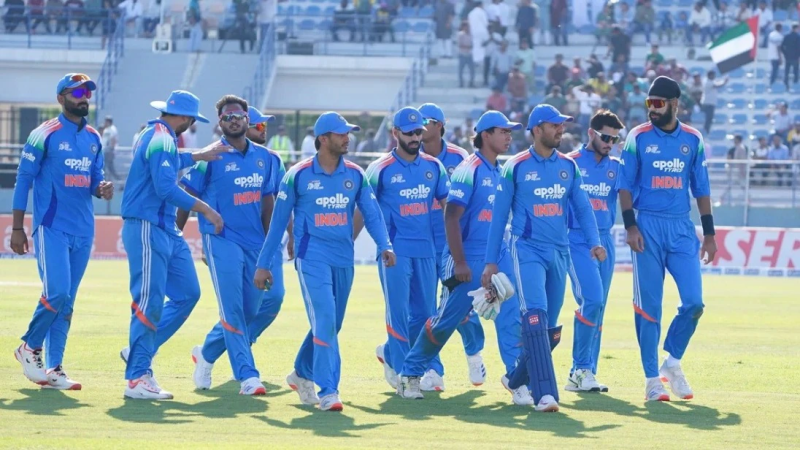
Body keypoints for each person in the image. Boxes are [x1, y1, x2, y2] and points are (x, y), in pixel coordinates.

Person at [253, 112, 396, 411]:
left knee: (332, 323)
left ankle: (301, 373)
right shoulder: (298, 175)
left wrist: (384, 244)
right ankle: (329, 390)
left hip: (343, 258)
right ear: (323, 139)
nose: (348, 138)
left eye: (348, 133)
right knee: (326, 319)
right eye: (341, 134)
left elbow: (371, 213)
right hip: (311, 258)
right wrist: (263, 264)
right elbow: (278, 224)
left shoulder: (355, 174)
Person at [483, 104, 605, 412]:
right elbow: (499, 217)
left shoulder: (568, 166)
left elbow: (583, 208)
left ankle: (515, 379)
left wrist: (594, 242)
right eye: (554, 125)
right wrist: (490, 262)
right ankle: (545, 394)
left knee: (548, 331)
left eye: (562, 125)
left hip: (560, 252)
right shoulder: (516, 167)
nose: (561, 129)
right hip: (527, 250)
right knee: (534, 316)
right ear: (537, 130)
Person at [396, 111, 524, 401]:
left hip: (497, 254)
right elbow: (451, 216)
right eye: (503, 131)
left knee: (511, 314)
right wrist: (461, 262)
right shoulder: (469, 168)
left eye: (510, 132)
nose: (509, 137)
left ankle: (517, 379)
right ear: (486, 135)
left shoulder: (501, 170)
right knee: (445, 322)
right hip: (466, 257)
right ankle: (410, 373)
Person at [119, 90, 228, 400]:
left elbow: (170, 161)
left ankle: (139, 352)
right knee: (149, 301)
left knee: (188, 294)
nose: (191, 126)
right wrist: (206, 209)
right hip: (147, 225)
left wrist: (198, 155)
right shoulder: (161, 138)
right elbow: (166, 188)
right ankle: (137, 378)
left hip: (165, 227)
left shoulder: (159, 136)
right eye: (192, 120)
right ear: (185, 118)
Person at [617, 76, 717, 402]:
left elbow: (701, 189)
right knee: (649, 308)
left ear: (675, 104)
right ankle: (651, 380)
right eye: (649, 103)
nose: (652, 109)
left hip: (681, 228)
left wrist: (710, 234)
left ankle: (672, 362)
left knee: (694, 303)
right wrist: (631, 227)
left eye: (658, 103)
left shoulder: (693, 139)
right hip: (646, 226)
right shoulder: (638, 137)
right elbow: (624, 186)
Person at [12, 73, 113, 390]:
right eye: (77, 93)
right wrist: (17, 227)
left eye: (87, 93)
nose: (84, 98)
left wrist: (101, 188)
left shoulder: (94, 137)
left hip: (83, 229)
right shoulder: (44, 133)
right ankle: (29, 346)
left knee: (67, 301)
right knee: (56, 292)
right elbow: (23, 179)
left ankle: (55, 369)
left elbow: (94, 178)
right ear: (61, 98)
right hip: (51, 226)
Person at [177, 96, 277, 396]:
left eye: (238, 115)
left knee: (250, 310)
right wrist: (175, 234)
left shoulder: (266, 158)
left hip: (255, 243)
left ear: (247, 119)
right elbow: (186, 196)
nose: (233, 120)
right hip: (221, 239)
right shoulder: (210, 156)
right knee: (232, 309)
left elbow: (268, 203)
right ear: (220, 122)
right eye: (227, 117)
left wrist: (269, 247)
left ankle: (206, 354)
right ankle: (247, 376)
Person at [357, 107, 450, 392]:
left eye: (418, 132)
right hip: (394, 252)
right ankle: (402, 373)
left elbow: (448, 208)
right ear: (395, 133)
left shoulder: (434, 167)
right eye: (409, 133)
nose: (415, 138)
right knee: (398, 314)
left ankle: (401, 359)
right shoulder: (380, 169)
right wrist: (347, 242)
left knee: (426, 316)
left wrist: (456, 246)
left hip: (426, 251)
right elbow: (364, 208)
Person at [416, 103, 485, 391]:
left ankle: (474, 354)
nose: (420, 127)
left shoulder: (460, 157)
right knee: (425, 308)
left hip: (450, 244)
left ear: (440, 126)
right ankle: (432, 369)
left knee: (461, 305)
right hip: (420, 242)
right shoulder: (410, 154)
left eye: (427, 121)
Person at [564, 110, 624, 393]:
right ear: (591, 133)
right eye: (605, 137)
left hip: (605, 240)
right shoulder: (571, 163)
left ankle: (586, 372)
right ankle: (580, 369)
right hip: (577, 240)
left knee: (598, 308)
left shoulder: (616, 167)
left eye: (615, 139)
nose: (610, 143)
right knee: (592, 299)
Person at [101, 115, 119, 180]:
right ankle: (118, 180)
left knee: (107, 166)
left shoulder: (112, 129)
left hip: (109, 150)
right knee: (108, 167)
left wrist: (111, 148)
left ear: (108, 122)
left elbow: (113, 139)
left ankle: (118, 180)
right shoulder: (106, 129)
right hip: (105, 150)